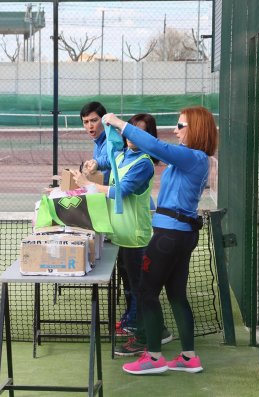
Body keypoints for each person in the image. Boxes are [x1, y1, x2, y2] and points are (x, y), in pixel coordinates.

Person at [103, 106, 218, 375]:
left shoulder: (192, 157)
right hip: (181, 235)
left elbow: (157, 147)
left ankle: (154, 357)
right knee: (176, 295)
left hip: (168, 237)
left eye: (180, 126)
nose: (175, 131)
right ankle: (189, 357)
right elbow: (156, 151)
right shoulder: (193, 160)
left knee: (146, 292)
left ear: (196, 129)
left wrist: (119, 123)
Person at [72, 113, 171, 357]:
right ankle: (153, 330)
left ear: (148, 137)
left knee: (141, 291)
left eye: (139, 132)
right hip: (120, 238)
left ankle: (145, 338)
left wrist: (90, 184)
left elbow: (122, 191)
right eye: (130, 130)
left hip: (137, 239)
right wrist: (95, 164)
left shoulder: (144, 163)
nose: (131, 136)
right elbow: (108, 159)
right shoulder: (124, 155)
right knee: (131, 289)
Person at [79, 101, 112, 185]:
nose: (90, 126)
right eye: (86, 122)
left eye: (94, 120)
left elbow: (110, 160)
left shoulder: (111, 141)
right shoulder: (98, 141)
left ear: (104, 120)